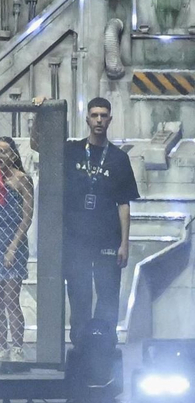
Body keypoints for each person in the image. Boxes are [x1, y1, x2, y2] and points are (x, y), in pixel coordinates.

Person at [33, 95, 139, 345]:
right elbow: (39, 145)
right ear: (87, 118)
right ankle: (80, 345)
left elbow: (124, 203)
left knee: (108, 293)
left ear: (110, 119)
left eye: (104, 115)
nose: (99, 120)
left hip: (107, 237)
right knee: (79, 294)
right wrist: (38, 113)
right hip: (76, 239)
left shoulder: (118, 158)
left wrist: (124, 243)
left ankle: (104, 344)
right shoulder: (72, 150)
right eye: (95, 115)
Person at [0, 136, 35, 361]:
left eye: (4, 152)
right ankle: (0, 347)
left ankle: (17, 347)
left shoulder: (23, 179)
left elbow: (27, 216)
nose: (0, 156)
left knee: (11, 298)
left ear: (13, 155)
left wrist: (13, 246)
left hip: (14, 239)